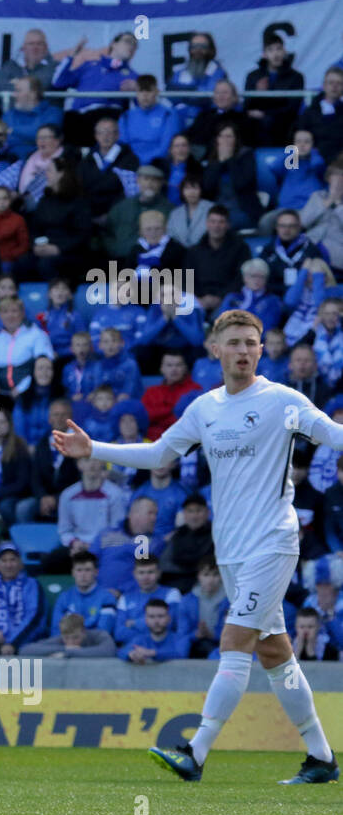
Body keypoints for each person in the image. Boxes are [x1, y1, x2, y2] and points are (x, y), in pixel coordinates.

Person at [56, 308, 339, 784]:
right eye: (234, 343)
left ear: (262, 350)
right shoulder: (204, 408)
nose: (244, 351)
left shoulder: (282, 401)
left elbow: (333, 435)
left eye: (252, 342)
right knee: (274, 654)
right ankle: (321, 757)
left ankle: (196, 750)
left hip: (273, 541)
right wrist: (95, 450)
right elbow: (157, 454)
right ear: (216, 350)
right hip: (230, 549)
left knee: (234, 642)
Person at [21, 612, 115, 657]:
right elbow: (25, 650)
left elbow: (109, 651)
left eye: (75, 637)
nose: (71, 642)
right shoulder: (61, 640)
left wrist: (69, 652)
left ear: (83, 631)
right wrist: (65, 648)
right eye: (67, 638)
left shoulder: (99, 635)